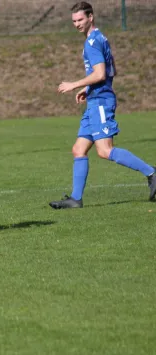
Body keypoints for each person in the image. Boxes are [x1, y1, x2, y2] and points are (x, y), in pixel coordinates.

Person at [50, 2, 155, 209]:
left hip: (101, 102)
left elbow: (100, 74)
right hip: (94, 99)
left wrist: (74, 84)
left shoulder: (92, 43)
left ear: (91, 17)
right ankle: (75, 199)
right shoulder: (99, 38)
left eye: (80, 20)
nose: (77, 24)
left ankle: (151, 173)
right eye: (73, 21)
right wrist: (87, 90)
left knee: (105, 151)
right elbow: (109, 72)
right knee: (78, 149)